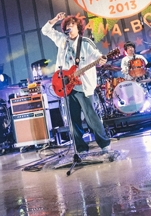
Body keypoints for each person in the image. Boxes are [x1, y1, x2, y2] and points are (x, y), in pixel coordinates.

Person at [42, 12, 111, 154]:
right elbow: (45, 30)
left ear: (78, 27)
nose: (69, 27)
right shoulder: (62, 40)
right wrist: (56, 19)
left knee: (91, 117)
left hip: (83, 86)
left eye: (72, 24)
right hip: (66, 85)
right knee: (73, 120)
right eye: (67, 25)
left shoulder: (86, 43)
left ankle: (104, 144)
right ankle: (81, 148)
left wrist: (102, 59)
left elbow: (97, 55)